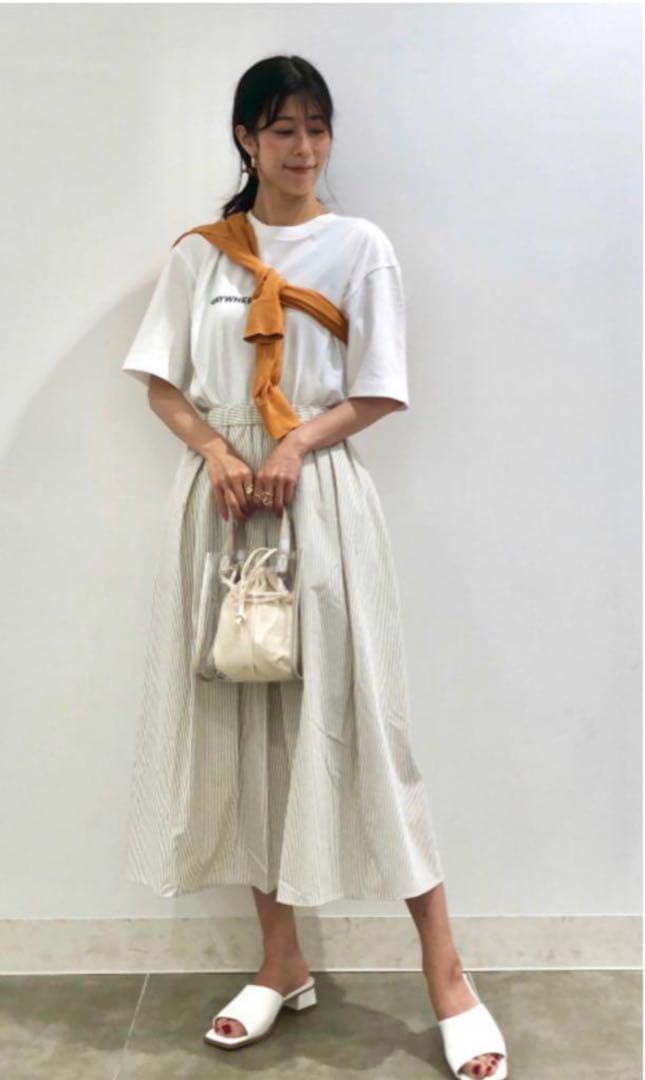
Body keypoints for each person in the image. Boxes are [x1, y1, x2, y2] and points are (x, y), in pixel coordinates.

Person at [121, 54, 508, 1080]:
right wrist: (218, 452)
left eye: (316, 128)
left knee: (367, 723)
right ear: (245, 139)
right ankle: (279, 961)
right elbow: (161, 383)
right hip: (225, 511)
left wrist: (294, 443)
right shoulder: (201, 256)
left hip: (321, 504)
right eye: (282, 129)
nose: (303, 148)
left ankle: (448, 978)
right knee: (243, 730)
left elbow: (379, 386)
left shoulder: (358, 247)